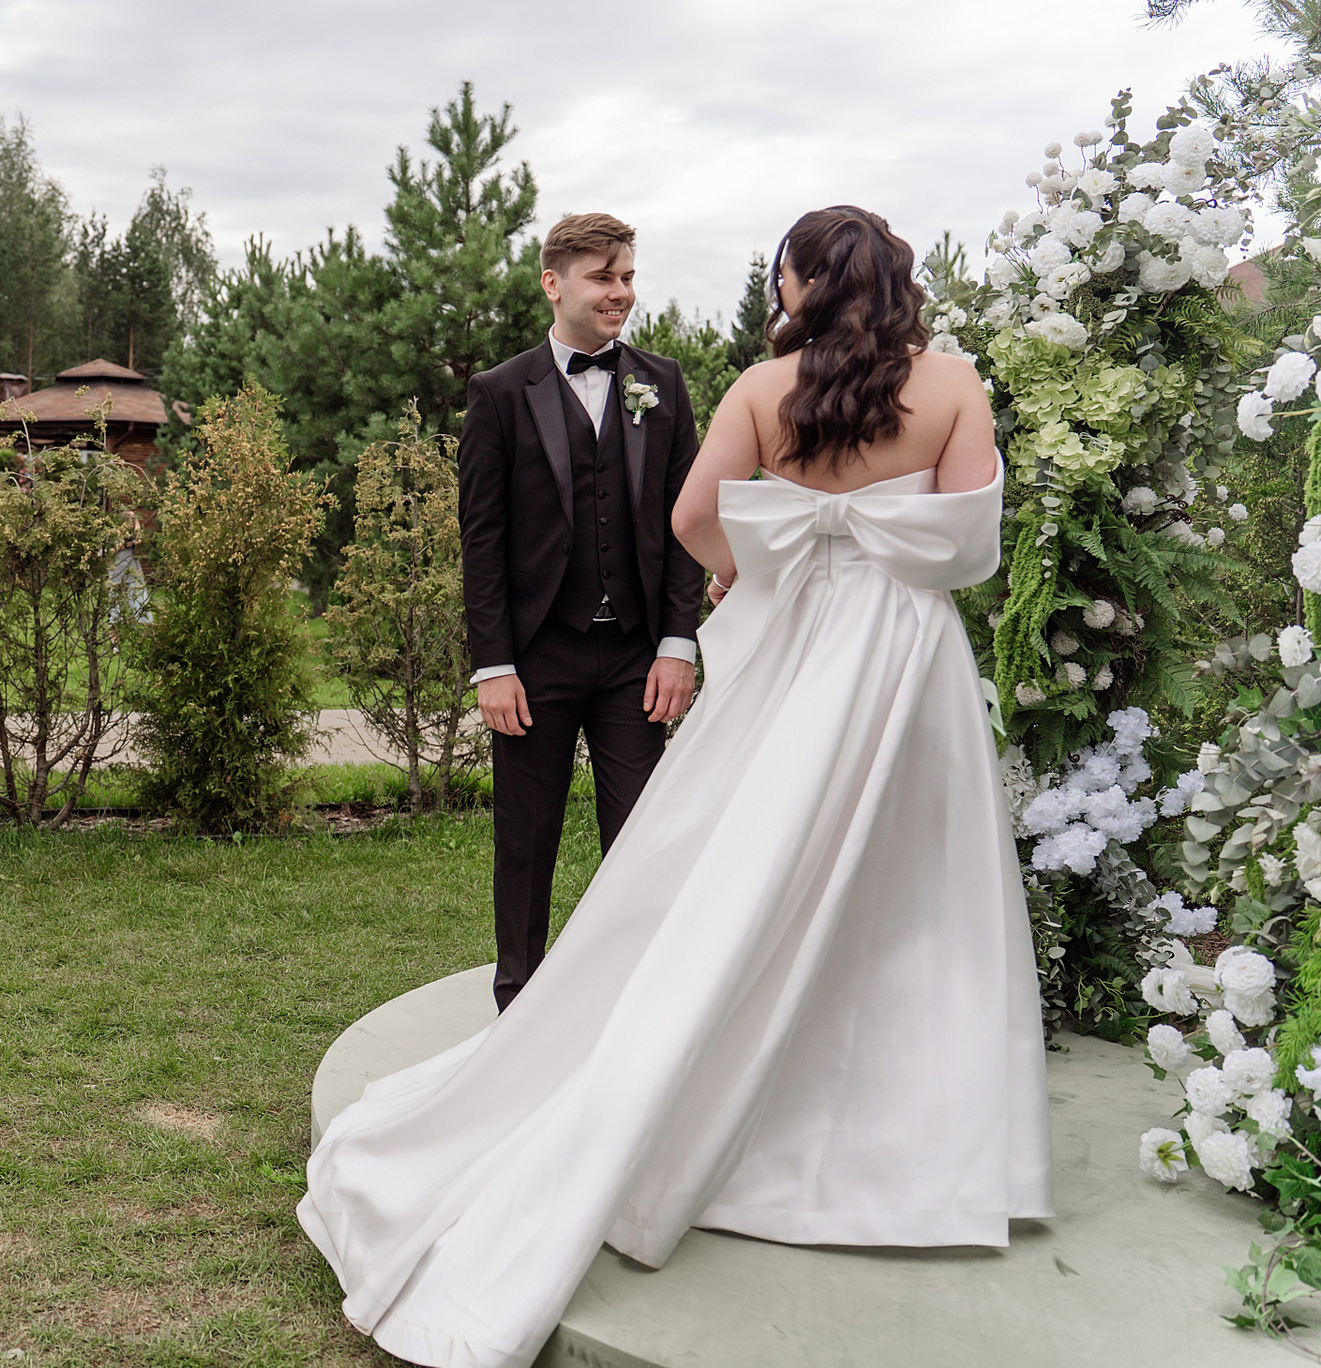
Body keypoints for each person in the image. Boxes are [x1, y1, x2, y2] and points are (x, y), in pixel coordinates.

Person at [298, 206, 1053, 1368]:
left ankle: (704, 1080)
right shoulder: (953, 385)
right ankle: (923, 1149)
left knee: (745, 861)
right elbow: (969, 549)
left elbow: (694, 519)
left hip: (800, 654)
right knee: (919, 879)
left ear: (800, 285)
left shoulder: (761, 387)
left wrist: (772, 570)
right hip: (910, 661)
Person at [456, 212, 706, 1013]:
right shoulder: (500, 393)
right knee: (526, 840)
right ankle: (518, 1007)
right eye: (603, 278)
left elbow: (684, 525)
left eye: (627, 277)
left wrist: (678, 644)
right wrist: (494, 666)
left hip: (637, 658)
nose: (619, 293)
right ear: (553, 283)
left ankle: (634, 1008)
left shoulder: (663, 384)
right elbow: (483, 541)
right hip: (536, 660)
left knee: (641, 839)